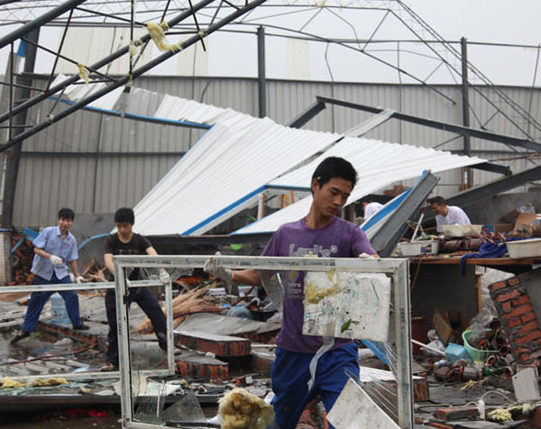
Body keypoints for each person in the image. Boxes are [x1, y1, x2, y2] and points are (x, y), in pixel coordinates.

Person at [205, 157, 378, 429]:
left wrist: (370, 262)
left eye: (344, 197)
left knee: (349, 424)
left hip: (337, 351)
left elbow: (368, 254)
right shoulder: (286, 235)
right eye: (334, 192)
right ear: (315, 185)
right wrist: (228, 274)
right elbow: (258, 274)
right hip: (293, 351)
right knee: (278, 423)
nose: (338, 202)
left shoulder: (350, 234)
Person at [101, 207, 171, 372]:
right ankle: (113, 361)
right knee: (116, 324)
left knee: (156, 312)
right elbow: (108, 262)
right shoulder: (110, 240)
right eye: (119, 226)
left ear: (132, 224)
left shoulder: (140, 240)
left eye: (125, 226)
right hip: (116, 287)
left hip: (137, 286)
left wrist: (162, 271)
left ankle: (166, 345)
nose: (122, 230)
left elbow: (153, 255)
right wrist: (119, 276)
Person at [11, 208, 88, 344]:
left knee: (71, 296)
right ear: (58, 220)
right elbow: (36, 248)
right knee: (36, 301)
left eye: (68, 221)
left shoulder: (71, 239)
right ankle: (27, 329)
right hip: (44, 273)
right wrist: (50, 256)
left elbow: (72, 259)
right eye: (63, 220)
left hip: (60, 274)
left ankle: (77, 323)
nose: (65, 223)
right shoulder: (48, 232)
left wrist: (77, 276)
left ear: (72, 222)